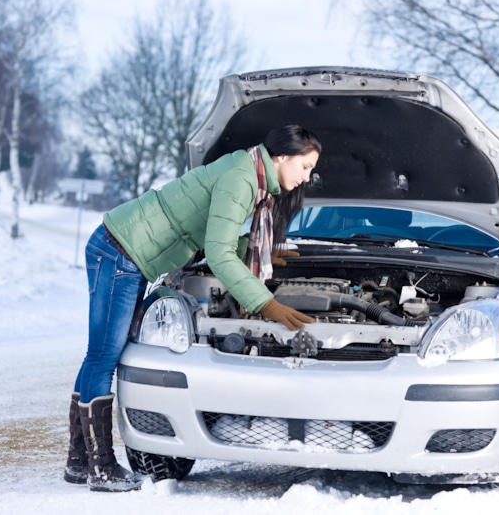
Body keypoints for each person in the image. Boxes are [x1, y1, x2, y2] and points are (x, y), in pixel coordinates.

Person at [63, 124, 322, 492]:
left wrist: (258, 247)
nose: (307, 177)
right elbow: (217, 252)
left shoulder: (245, 169)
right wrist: (264, 303)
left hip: (125, 251)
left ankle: (79, 462)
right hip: (120, 250)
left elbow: (214, 227)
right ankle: (101, 467)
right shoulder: (242, 178)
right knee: (103, 357)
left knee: (98, 356)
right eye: (305, 166)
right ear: (282, 156)